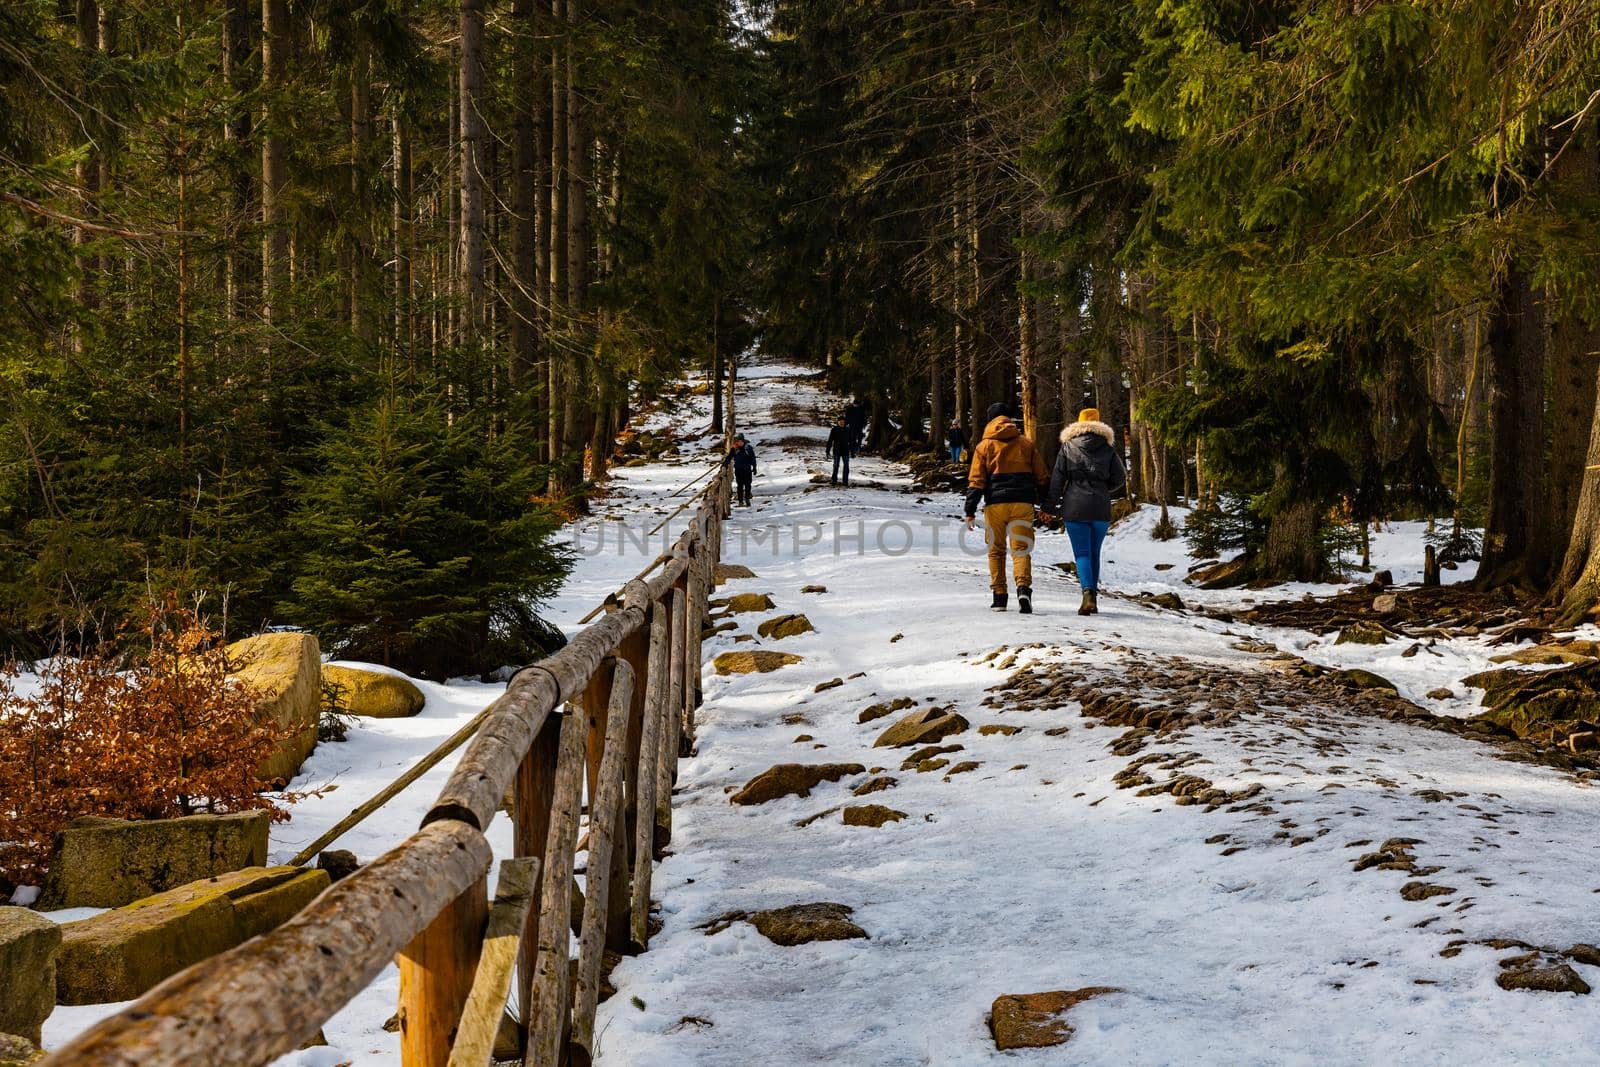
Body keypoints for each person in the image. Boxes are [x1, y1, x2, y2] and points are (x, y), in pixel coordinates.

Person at [964, 402, 1048, 614]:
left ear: (990, 420)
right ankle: (1023, 589)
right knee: (1021, 549)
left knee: (995, 551)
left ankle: (1000, 597)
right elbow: (1042, 477)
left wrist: (969, 511)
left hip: (995, 505)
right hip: (1022, 504)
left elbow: (976, 480)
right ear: (1010, 419)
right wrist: (1046, 503)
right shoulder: (1026, 444)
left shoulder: (984, 447)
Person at [1047, 407, 1126, 616]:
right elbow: (1120, 478)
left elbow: (1057, 478)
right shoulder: (1108, 449)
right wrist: (1102, 489)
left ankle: (1087, 595)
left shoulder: (1067, 447)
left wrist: (1050, 505)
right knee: (1094, 553)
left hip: (1074, 507)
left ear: (1078, 424)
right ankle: (1094, 597)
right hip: (1100, 507)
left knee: (1082, 553)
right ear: (1099, 425)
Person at [724, 434, 757, 506]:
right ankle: (740, 500)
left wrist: (754, 467)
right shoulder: (734, 448)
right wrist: (725, 464)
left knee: (748, 485)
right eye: (739, 441)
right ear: (737, 441)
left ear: (743, 441)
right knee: (740, 485)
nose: (740, 442)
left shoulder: (748, 448)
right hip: (738, 470)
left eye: (741, 441)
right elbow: (729, 457)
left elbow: (753, 458)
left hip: (747, 469)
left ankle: (747, 499)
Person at [825, 415, 853, 486]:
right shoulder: (834, 429)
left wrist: (852, 451)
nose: (841, 423)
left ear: (845, 422)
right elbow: (830, 441)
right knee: (836, 465)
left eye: (843, 422)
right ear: (837, 422)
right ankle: (834, 480)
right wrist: (827, 451)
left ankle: (845, 481)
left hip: (845, 450)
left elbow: (851, 441)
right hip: (837, 450)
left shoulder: (847, 430)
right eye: (840, 422)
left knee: (846, 466)